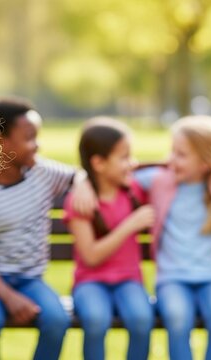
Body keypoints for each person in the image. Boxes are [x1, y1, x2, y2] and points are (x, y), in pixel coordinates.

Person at [0, 97, 92, 359]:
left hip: (31, 281)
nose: (36, 146)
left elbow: (79, 175)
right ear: (0, 141)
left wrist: (83, 183)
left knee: (56, 320)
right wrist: (9, 297)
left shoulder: (43, 173)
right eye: (29, 138)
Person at [134, 116, 211, 360]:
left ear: (205, 161)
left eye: (181, 154)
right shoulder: (160, 180)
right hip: (173, 278)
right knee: (177, 317)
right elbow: (118, 174)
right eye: (172, 151)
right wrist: (84, 181)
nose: (171, 159)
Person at [63, 118, 155, 360]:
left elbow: (167, 167)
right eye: (124, 157)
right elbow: (91, 257)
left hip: (129, 282)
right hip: (90, 283)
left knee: (142, 318)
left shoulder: (133, 188)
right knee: (95, 318)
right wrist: (130, 225)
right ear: (99, 163)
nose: (132, 163)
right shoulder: (81, 202)